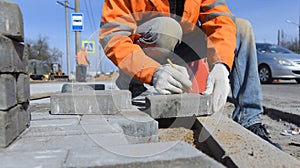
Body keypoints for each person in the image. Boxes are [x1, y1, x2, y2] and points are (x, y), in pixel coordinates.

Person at [99, 0, 281, 149]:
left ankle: (249, 119)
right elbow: (113, 35)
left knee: (241, 28)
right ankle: (134, 83)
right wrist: (151, 72)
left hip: (185, 44)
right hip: (147, 49)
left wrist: (221, 64)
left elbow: (219, 19)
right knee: (167, 27)